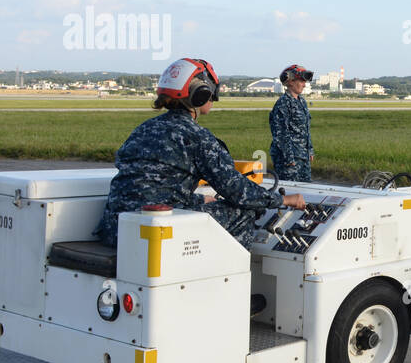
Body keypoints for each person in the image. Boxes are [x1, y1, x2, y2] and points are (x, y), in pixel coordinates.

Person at [95, 58, 306, 251]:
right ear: (201, 93)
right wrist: (283, 200)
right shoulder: (197, 136)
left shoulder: (143, 129)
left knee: (204, 204)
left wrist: (198, 200)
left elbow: (154, 187)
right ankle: (224, 281)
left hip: (117, 230)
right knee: (244, 213)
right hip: (153, 233)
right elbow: (238, 191)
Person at [269, 64, 315, 182]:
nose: (304, 85)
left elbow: (305, 129)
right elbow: (280, 134)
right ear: (290, 82)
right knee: (290, 194)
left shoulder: (302, 102)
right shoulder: (283, 103)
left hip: (302, 157)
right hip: (289, 160)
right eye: (301, 81)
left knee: (306, 192)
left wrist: (309, 150)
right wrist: (289, 159)